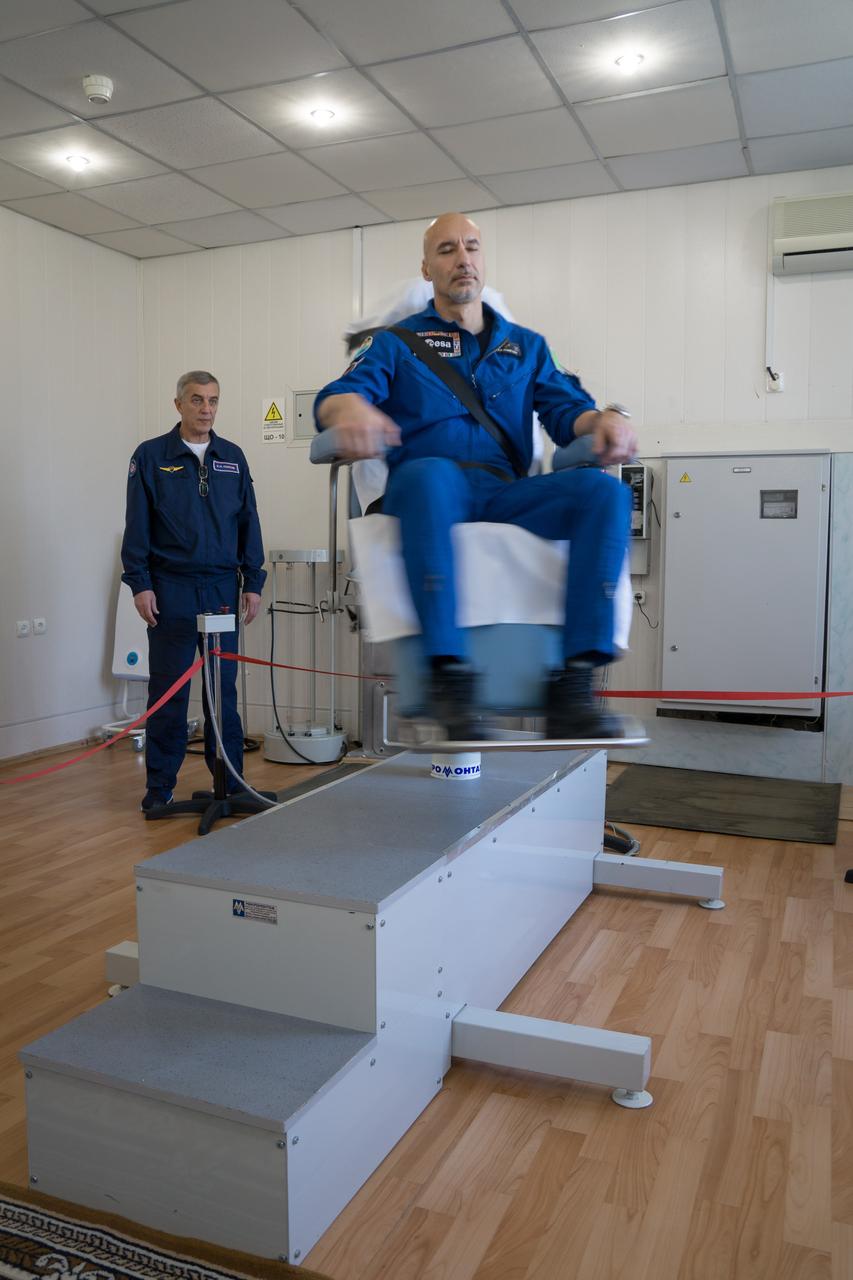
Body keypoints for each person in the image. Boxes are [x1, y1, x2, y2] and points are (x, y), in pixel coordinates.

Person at [314, 212, 637, 740]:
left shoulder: (526, 346)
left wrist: (604, 421)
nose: (462, 258)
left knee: (602, 493)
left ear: (483, 262)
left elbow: (567, 412)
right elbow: (340, 394)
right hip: (426, 487)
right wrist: (349, 411)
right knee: (433, 476)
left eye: (471, 247)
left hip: (503, 490)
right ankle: (450, 679)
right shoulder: (396, 342)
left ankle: (574, 684)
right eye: (446, 249)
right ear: (427, 269)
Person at [121, 371, 266, 810]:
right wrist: (140, 584)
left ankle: (232, 783)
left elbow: (249, 523)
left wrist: (253, 582)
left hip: (222, 587)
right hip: (171, 590)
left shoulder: (233, 458)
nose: (206, 409)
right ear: (179, 404)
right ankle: (159, 789)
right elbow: (138, 526)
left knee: (222, 694)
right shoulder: (151, 457)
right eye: (197, 400)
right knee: (169, 694)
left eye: (213, 401)